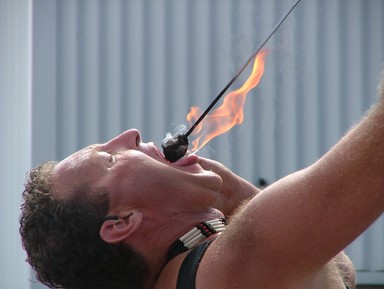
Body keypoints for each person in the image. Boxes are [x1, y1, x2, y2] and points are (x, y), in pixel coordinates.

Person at [20, 66, 384, 289]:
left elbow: (336, 271)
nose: (130, 134)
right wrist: (234, 199)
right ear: (122, 223)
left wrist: (229, 193)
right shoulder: (230, 267)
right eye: (109, 159)